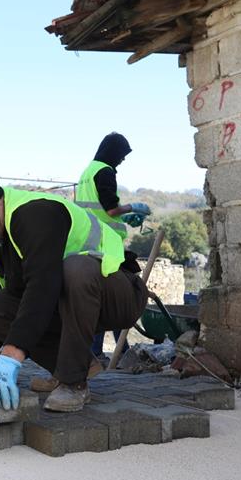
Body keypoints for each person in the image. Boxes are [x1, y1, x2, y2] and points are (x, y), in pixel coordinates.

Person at [0, 167, 148, 412]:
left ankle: (73, 382)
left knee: (75, 268)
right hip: (69, 300)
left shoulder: (36, 213)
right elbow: (6, 292)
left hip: (118, 294)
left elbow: (42, 286)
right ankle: (75, 366)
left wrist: (10, 356)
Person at [75, 132, 151, 365]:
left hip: (88, 241)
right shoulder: (105, 172)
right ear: (113, 152)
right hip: (106, 244)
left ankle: (101, 352)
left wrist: (125, 218)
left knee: (100, 298)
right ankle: (116, 351)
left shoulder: (88, 172)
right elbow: (109, 210)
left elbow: (96, 209)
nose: (122, 160)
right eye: (122, 155)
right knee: (119, 296)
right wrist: (133, 207)